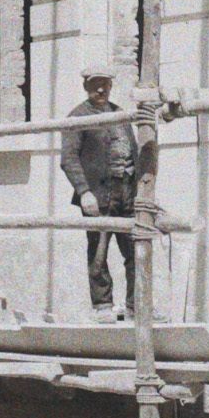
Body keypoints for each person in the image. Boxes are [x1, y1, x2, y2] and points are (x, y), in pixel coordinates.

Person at [60, 64, 138, 324]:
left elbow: (133, 152)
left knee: (135, 250)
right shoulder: (78, 116)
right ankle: (103, 306)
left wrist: (140, 190)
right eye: (95, 85)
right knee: (99, 252)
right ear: (86, 87)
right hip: (97, 194)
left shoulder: (120, 114)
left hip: (126, 190)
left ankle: (135, 306)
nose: (101, 89)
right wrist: (84, 192)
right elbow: (69, 158)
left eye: (105, 84)